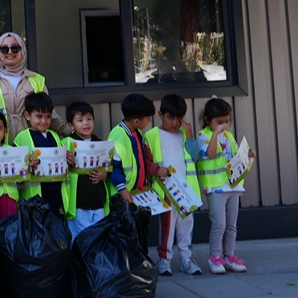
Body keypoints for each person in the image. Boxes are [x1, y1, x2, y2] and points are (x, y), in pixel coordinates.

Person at [0, 33, 71, 143]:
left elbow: (50, 116)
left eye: (15, 48)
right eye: (4, 49)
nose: (10, 52)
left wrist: (77, 136)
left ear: (23, 50)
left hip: (32, 149)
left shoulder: (37, 80)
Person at [145, 95, 204, 276]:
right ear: (160, 114)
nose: (176, 123)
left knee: (187, 226)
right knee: (167, 228)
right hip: (166, 191)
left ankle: (186, 259)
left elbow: (195, 156)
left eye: (179, 118)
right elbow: (145, 162)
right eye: (171, 117)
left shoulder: (184, 135)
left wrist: (191, 136)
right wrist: (156, 169)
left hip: (185, 191)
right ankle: (165, 260)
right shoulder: (152, 135)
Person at [197, 98, 256, 275]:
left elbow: (235, 158)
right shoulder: (203, 136)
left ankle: (229, 256)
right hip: (216, 187)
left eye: (227, 121)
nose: (224, 125)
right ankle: (215, 257)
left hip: (233, 186)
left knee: (231, 225)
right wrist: (215, 134)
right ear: (208, 120)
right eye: (219, 122)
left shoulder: (229, 137)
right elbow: (210, 153)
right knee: (219, 224)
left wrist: (248, 156)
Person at [108, 94, 168, 254]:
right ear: (136, 121)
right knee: (126, 236)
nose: (149, 121)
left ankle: (140, 266)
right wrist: (122, 188)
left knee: (139, 234)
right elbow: (113, 166)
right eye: (148, 118)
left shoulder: (135, 133)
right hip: (123, 197)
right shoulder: (118, 135)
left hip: (137, 194)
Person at [12, 92, 74, 216]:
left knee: (58, 229)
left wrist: (69, 160)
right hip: (36, 197)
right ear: (27, 116)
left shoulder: (55, 136)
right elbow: (15, 171)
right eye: (39, 116)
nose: (44, 121)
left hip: (57, 193)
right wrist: (27, 165)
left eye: (48, 116)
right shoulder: (21, 138)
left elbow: (63, 164)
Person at [62, 101, 111, 241]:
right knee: (78, 240)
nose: (85, 123)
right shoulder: (65, 143)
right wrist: (67, 162)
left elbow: (109, 167)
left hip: (98, 201)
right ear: (71, 125)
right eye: (80, 120)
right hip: (77, 203)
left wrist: (104, 174)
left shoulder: (101, 144)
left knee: (99, 240)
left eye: (89, 119)